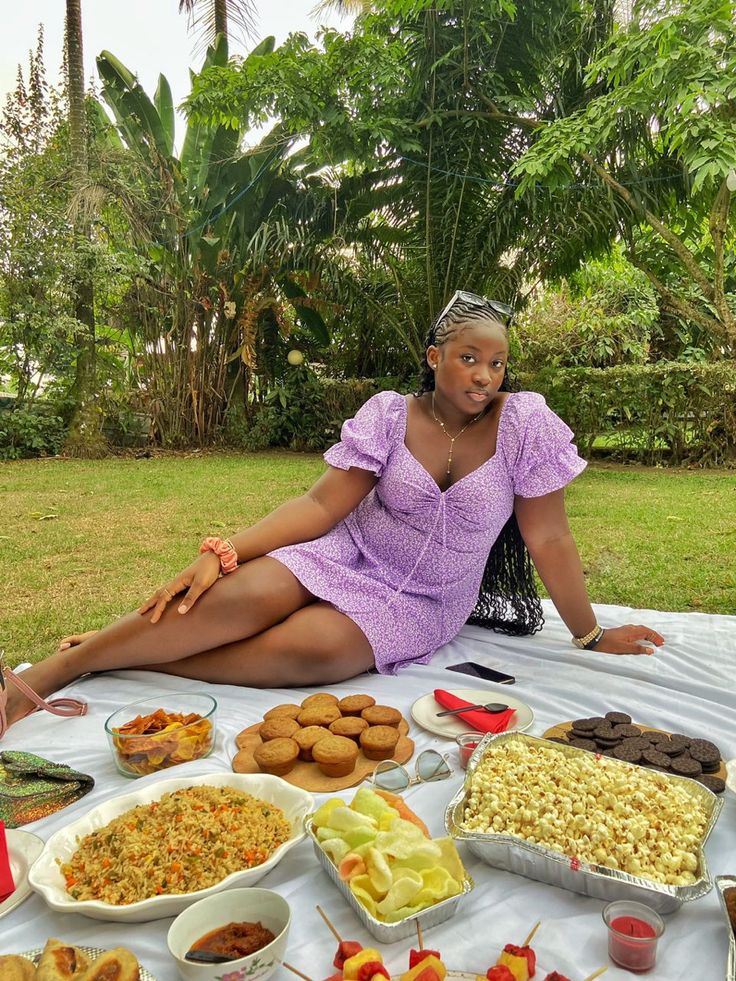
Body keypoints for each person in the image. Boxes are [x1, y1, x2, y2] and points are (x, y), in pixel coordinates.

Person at [0, 291, 664, 733]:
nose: (485, 375)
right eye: (469, 358)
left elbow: (549, 536)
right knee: (243, 594)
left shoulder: (526, 424)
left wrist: (589, 635)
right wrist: (224, 548)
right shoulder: (389, 415)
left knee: (317, 649)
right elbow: (321, 504)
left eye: (496, 362)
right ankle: (52, 670)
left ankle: (112, 655)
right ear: (434, 358)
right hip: (347, 550)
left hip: (427, 596)